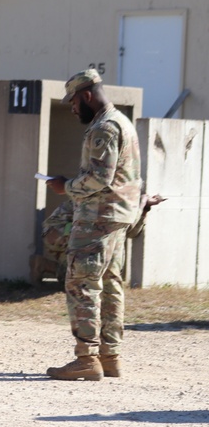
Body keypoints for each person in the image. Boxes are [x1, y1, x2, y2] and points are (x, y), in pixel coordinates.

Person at [45, 68, 142, 381]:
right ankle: (109, 356)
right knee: (111, 285)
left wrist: (65, 186)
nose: (73, 108)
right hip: (117, 218)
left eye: (74, 101)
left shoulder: (105, 127)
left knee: (82, 283)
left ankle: (87, 358)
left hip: (97, 220)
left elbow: (100, 178)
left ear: (86, 95)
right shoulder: (122, 122)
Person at [31, 193, 166, 284]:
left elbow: (130, 232)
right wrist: (141, 203)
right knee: (80, 277)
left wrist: (144, 209)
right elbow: (117, 224)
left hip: (78, 234)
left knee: (83, 278)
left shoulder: (120, 204)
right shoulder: (102, 198)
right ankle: (47, 265)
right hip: (57, 232)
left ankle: (46, 265)